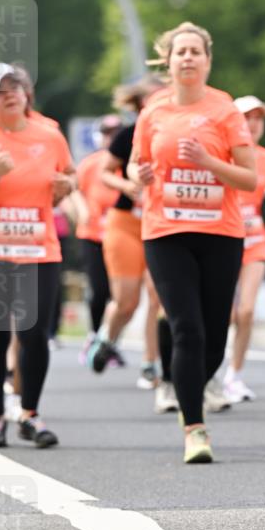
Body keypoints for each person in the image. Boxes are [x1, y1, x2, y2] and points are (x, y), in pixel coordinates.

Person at [128, 21, 256, 463]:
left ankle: (185, 386)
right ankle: (194, 427)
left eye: (195, 52)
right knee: (188, 328)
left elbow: (249, 177)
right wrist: (138, 176)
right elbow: (134, 165)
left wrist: (207, 162)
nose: (187, 58)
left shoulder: (224, 110)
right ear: (168, 60)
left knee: (215, 339)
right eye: (180, 51)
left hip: (220, 232)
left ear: (207, 60)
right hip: (166, 231)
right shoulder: (153, 111)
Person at [0, 62, 75, 448]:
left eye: (16, 87)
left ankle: (30, 415)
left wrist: (64, 186)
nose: (10, 95)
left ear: (28, 94)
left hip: (38, 249)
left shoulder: (50, 135)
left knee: (34, 334)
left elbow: (67, 178)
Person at [87, 77, 164, 387]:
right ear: (141, 104)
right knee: (127, 301)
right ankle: (106, 338)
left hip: (161, 223)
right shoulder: (127, 136)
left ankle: (150, 363)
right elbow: (105, 174)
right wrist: (129, 186)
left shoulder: (178, 132)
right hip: (126, 223)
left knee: (158, 296)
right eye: (153, 98)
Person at [222, 95, 265, 404]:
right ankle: (211, 368)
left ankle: (234, 375)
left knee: (246, 311)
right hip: (223, 238)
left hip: (255, 241)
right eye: (247, 117)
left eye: (258, 118)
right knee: (221, 312)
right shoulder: (222, 154)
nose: (253, 124)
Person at [74, 115, 121, 362]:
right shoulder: (90, 164)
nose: (111, 137)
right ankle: (94, 335)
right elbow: (74, 190)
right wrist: (81, 211)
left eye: (116, 133)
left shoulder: (126, 163)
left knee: (121, 295)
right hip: (93, 235)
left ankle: (110, 340)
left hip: (121, 236)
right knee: (99, 289)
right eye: (106, 133)